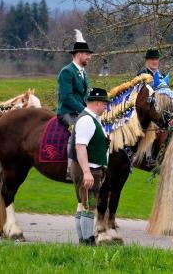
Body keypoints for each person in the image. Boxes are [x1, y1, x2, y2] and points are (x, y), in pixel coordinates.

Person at [71, 87, 110, 246]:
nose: (106, 107)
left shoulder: (91, 118)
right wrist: (87, 172)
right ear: (97, 103)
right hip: (89, 169)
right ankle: (88, 241)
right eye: (105, 103)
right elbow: (80, 147)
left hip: (90, 168)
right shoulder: (87, 120)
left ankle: (84, 240)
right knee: (89, 206)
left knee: (83, 204)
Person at [58, 29, 93, 180]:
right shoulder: (66, 72)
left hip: (81, 111)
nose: (89, 57)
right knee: (76, 130)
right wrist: (85, 110)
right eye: (87, 54)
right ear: (79, 54)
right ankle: (69, 169)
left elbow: (86, 94)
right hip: (66, 112)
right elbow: (66, 97)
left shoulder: (83, 72)